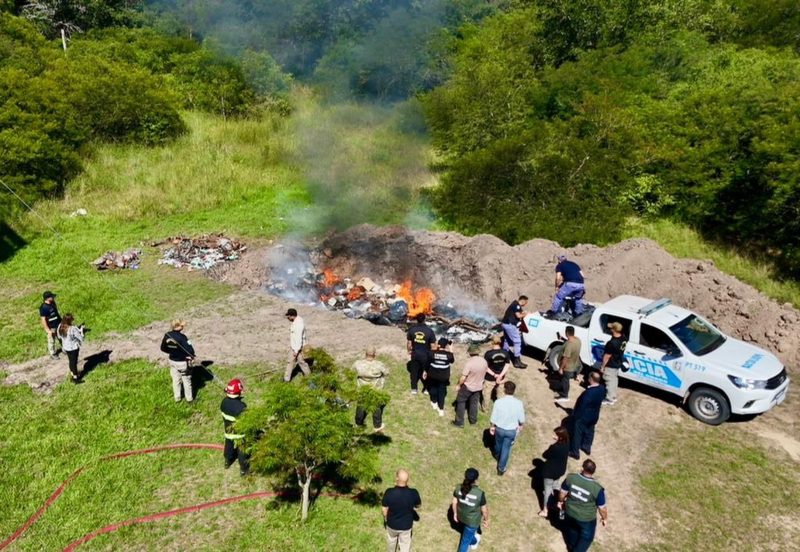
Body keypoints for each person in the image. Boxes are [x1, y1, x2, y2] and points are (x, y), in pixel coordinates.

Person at [559, 459, 608, 552]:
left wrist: (561, 501)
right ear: (593, 472)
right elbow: (602, 509)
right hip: (586, 519)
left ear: (582, 468)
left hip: (570, 512)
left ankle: (571, 546)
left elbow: (562, 493)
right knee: (586, 537)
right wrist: (604, 518)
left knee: (573, 530)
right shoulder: (597, 489)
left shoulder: (570, 478)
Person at [489, 381, 525, 476]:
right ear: (514, 390)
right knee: (506, 448)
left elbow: (493, 418)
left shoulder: (498, 402)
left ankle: (497, 456)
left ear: (504, 389)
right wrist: (521, 425)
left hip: (500, 429)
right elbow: (521, 419)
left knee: (498, 445)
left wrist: (492, 427)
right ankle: (501, 468)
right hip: (511, 431)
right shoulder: (519, 403)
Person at [382, 469, 422, 552]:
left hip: (392, 525)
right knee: (405, 545)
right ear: (408, 480)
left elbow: (384, 509)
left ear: (397, 478)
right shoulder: (413, 493)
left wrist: (386, 517)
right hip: (406, 527)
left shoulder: (389, 492)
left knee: (391, 541)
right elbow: (418, 505)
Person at [569, 371, 605, 460]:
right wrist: (581, 382)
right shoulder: (602, 389)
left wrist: (575, 417)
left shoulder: (588, 393)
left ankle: (575, 452)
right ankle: (586, 447)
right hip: (594, 416)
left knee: (577, 434)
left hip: (583, 417)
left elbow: (582, 406)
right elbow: (593, 388)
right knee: (590, 432)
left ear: (591, 379)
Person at [353, 347, 389, 432]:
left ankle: (358, 423)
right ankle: (377, 426)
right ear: (374, 354)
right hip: (375, 389)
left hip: (362, 389)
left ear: (365, 353)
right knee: (376, 407)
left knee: (361, 406)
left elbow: (352, 371)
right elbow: (386, 373)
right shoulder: (379, 365)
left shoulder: (358, 364)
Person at [452, 468, 489, 552]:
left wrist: (455, 513)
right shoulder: (479, 493)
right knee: (465, 542)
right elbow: (484, 510)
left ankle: (474, 541)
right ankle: (474, 541)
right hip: (472, 521)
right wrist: (486, 520)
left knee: (468, 535)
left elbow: (454, 501)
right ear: (476, 480)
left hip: (461, 516)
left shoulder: (458, 488)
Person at [160, 319, 195, 403]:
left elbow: (163, 348)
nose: (183, 327)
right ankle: (189, 399)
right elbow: (190, 350)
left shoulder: (167, 335)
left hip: (172, 361)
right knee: (186, 380)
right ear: (177, 326)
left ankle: (177, 398)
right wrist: (190, 356)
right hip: (183, 362)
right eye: (182, 325)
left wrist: (172, 352)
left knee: (176, 380)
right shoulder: (182, 337)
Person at [452, 344, 488, 428]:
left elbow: (463, 377)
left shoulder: (470, 363)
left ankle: (459, 422)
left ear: (470, 353)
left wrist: (458, 385)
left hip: (468, 386)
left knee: (460, 402)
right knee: (474, 403)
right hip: (478, 386)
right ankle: (473, 420)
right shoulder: (484, 361)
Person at [538, 427, 570, 518]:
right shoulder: (567, 444)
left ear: (560, 437)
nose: (553, 436)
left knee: (547, 491)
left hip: (550, 472)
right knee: (556, 485)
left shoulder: (555, 447)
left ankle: (545, 510)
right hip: (560, 470)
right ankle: (560, 501)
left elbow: (545, 455)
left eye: (556, 435)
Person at [221, 379, 250, 476]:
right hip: (240, 433)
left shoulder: (224, 402)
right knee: (242, 451)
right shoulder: (241, 406)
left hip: (228, 430)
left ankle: (227, 461)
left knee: (228, 446)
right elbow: (246, 421)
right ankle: (244, 469)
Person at [406, 313, 435, 395]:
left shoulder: (412, 330)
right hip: (426, 355)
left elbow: (409, 343)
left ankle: (414, 389)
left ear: (416, 320)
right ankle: (426, 389)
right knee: (426, 372)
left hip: (415, 354)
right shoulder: (429, 331)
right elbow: (433, 345)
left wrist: (409, 351)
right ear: (424, 320)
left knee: (414, 372)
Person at [424, 338, 454, 417]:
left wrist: (425, 371)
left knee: (433, 389)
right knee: (441, 393)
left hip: (433, 375)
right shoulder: (449, 355)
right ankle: (441, 409)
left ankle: (434, 402)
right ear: (446, 346)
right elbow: (452, 360)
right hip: (443, 377)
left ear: (439, 345)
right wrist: (451, 348)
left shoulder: (432, 353)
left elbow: (428, 363)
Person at [599, 322, 627, 406]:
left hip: (611, 364)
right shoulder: (624, 337)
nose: (610, 329)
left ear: (614, 330)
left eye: (611, 328)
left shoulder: (611, 343)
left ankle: (609, 398)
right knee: (614, 379)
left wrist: (602, 367)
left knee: (609, 380)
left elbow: (607, 356)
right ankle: (613, 396)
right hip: (618, 361)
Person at [481, 335, 511, 412]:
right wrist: (500, 375)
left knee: (487, 394)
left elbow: (486, 367)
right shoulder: (505, 352)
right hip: (501, 378)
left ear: (492, 342)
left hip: (490, 378)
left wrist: (495, 375)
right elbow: (507, 365)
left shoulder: (488, 354)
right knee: (501, 394)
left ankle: (485, 409)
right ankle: (501, 408)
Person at [555, 326, 583, 403]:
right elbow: (570, 341)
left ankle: (564, 395)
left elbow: (566, 358)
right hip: (576, 364)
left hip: (568, 367)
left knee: (565, 380)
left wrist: (561, 368)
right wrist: (563, 339)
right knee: (563, 378)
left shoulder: (569, 345)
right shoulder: (578, 340)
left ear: (566, 333)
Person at [501, 296, 528, 369]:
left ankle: (503, 357)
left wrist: (523, 312)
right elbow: (518, 315)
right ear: (523, 301)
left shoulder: (514, 304)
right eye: (526, 302)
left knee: (507, 341)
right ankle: (517, 361)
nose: (526, 304)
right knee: (517, 342)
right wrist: (526, 314)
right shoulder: (516, 306)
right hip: (510, 325)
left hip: (505, 324)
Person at [284, 308, 311, 382]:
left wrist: (296, 351)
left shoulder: (298, 325)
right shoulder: (296, 321)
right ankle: (309, 377)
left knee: (295, 362)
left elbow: (299, 339)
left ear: (292, 316)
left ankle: (286, 380)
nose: (288, 318)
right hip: (296, 347)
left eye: (288, 316)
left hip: (297, 348)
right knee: (300, 363)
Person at [57, 314, 84, 384]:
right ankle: (75, 378)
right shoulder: (72, 328)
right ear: (69, 320)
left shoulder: (60, 326)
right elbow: (81, 338)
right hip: (73, 348)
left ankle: (72, 374)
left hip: (66, 347)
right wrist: (81, 331)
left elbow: (59, 336)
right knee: (74, 363)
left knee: (71, 361)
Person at [39, 291, 62, 360]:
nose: (53, 297)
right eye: (51, 297)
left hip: (58, 324)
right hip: (51, 327)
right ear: (47, 298)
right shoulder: (43, 308)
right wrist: (48, 330)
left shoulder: (53, 303)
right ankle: (52, 353)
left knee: (61, 337)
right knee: (51, 340)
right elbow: (43, 320)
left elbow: (56, 313)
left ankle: (64, 348)